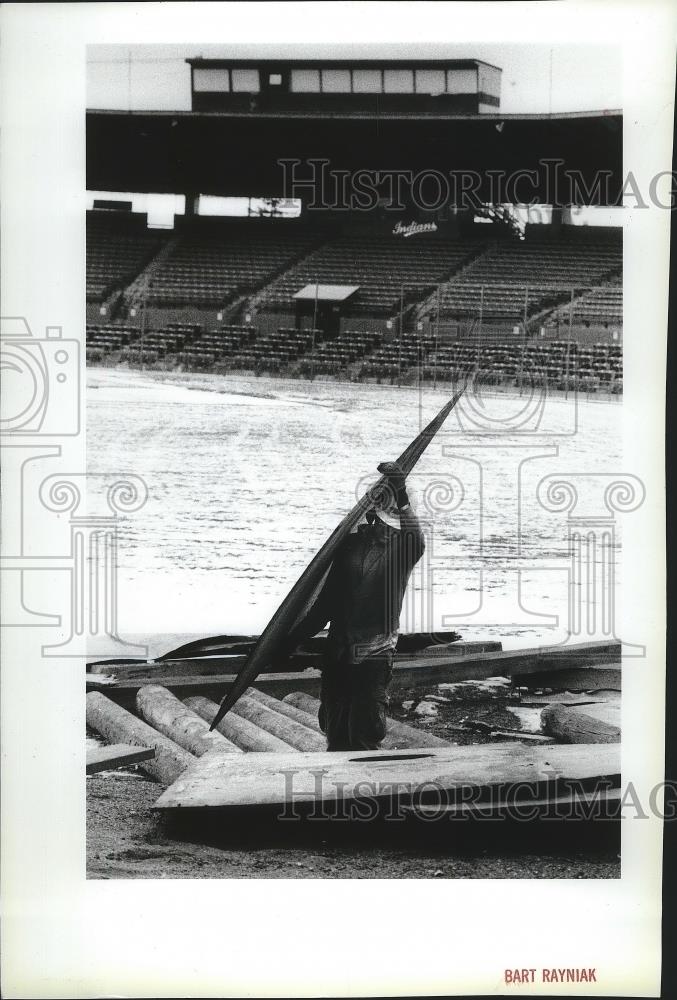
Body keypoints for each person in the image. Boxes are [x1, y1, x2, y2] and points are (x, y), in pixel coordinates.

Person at [282, 461, 425, 751]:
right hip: (338, 652)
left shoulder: (400, 550)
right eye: (370, 511)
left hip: (374, 651)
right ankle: (337, 791)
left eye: (381, 512)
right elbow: (323, 607)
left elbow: (416, 540)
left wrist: (402, 493)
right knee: (334, 730)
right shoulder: (347, 548)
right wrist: (289, 641)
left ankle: (367, 789)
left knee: (366, 730)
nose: (374, 520)